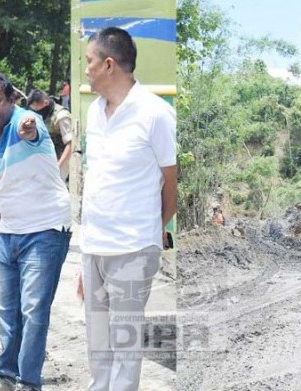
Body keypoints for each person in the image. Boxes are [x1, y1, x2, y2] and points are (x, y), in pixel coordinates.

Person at [80, 27, 177, 391]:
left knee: (125, 342)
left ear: (108, 64)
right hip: (94, 247)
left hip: (133, 248)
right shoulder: (94, 113)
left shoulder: (155, 113)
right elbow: (97, 181)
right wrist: (86, 249)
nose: (85, 69)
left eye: (89, 61)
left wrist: (152, 231)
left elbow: (171, 183)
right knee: (97, 342)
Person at [0, 74, 72, 391]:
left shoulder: (27, 124)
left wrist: (28, 122)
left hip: (45, 231)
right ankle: (6, 374)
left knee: (33, 309)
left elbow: (30, 125)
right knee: (6, 310)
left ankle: (29, 382)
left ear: (11, 101)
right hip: (9, 234)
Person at [27, 90, 73, 181]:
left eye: (39, 110)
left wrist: (59, 165)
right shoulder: (42, 115)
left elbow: (70, 144)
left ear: (46, 103)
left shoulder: (61, 116)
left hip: (61, 159)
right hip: (46, 159)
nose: (38, 112)